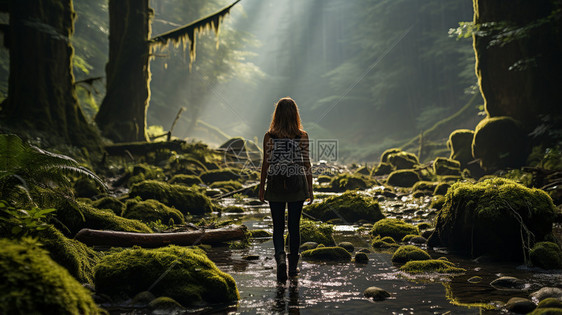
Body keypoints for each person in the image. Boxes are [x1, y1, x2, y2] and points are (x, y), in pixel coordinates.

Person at [259, 97, 313, 282]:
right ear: (295, 114)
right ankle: (293, 268)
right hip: (297, 183)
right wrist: (310, 189)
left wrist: (261, 188)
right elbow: (306, 164)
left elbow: (266, 164)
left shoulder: (269, 136)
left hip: (275, 183)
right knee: (294, 227)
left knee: (277, 227)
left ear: (277, 115)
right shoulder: (302, 136)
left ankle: (280, 258)